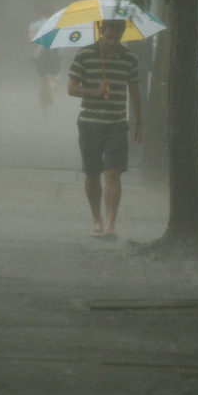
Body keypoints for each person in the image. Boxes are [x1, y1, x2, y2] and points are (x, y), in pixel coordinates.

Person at [67, 19, 143, 240]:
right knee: (92, 173)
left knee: (113, 172)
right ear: (101, 33)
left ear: (122, 36)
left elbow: (135, 90)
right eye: (107, 38)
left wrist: (139, 123)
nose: (111, 42)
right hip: (89, 123)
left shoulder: (129, 58)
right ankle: (97, 220)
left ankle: (110, 224)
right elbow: (71, 88)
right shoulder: (84, 54)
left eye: (116, 38)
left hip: (117, 124)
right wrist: (95, 91)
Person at [29, 16, 63, 114]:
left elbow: (37, 51)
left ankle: (43, 102)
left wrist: (34, 58)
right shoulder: (58, 36)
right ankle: (51, 90)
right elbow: (60, 51)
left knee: (42, 81)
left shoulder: (41, 37)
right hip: (55, 60)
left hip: (42, 60)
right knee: (53, 79)